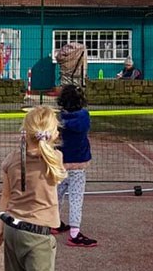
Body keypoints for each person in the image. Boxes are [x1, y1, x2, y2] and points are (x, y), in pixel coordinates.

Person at [0, 106, 67, 271]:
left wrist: (0, 228)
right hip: (38, 236)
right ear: (52, 133)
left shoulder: (11, 159)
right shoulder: (55, 159)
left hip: (12, 229)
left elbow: (5, 196)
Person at [51, 85, 98, 247]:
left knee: (56, 195)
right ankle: (74, 234)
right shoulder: (84, 116)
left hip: (60, 163)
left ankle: (53, 223)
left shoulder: (58, 118)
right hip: (78, 165)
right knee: (76, 198)